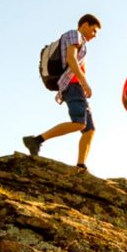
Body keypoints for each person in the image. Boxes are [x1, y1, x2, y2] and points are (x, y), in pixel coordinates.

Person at [23, 14, 101, 171]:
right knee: (80, 123)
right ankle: (36, 140)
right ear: (85, 24)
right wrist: (84, 83)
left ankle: (80, 165)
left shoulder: (82, 44)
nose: (95, 35)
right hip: (72, 86)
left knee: (90, 129)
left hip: (76, 86)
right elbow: (71, 59)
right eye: (94, 30)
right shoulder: (75, 34)